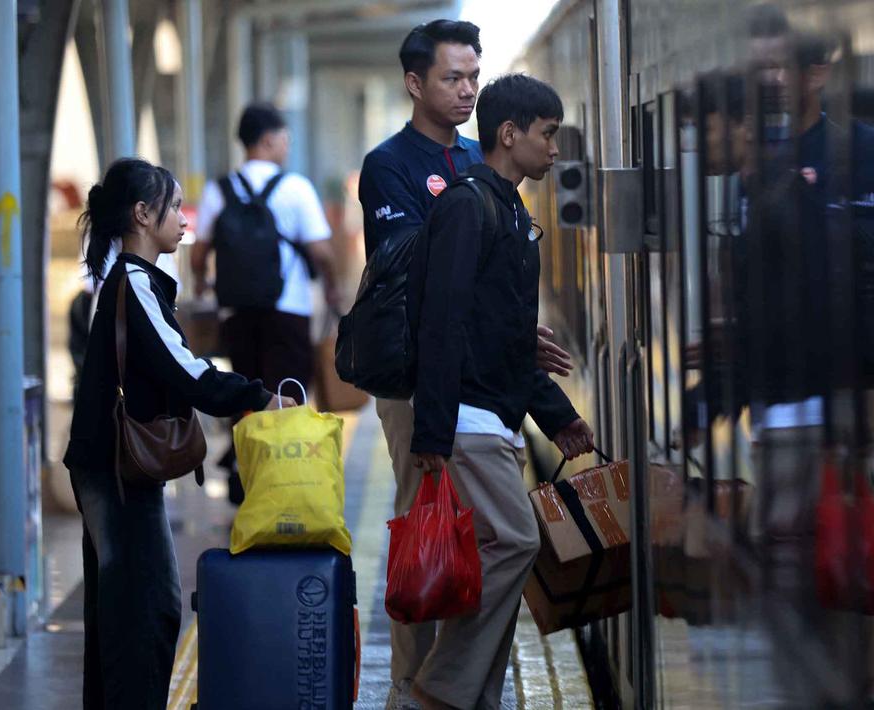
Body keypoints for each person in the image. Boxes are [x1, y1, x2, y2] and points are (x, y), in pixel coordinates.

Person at [356, 21, 571, 707]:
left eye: (473, 77)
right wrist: (495, 316)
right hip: (422, 379)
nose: (465, 89)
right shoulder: (391, 164)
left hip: (481, 377)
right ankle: (412, 688)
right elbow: (412, 277)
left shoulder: (485, 161)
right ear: (416, 83)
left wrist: (503, 323)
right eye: (452, 77)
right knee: (428, 534)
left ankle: (460, 688)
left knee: (476, 544)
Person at [63, 158, 294, 709]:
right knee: (146, 611)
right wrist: (259, 397)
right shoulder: (134, 284)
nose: (183, 217)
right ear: (143, 215)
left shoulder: (131, 281)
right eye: (172, 206)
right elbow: (186, 371)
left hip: (108, 464)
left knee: (121, 609)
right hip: (114, 471)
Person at [407, 73, 595, 710]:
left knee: (500, 552)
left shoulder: (510, 209)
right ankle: (441, 689)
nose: (555, 150)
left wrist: (558, 417)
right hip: (466, 418)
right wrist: (430, 432)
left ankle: (474, 697)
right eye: (548, 135)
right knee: (515, 541)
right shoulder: (468, 206)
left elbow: (509, 337)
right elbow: (442, 322)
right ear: (509, 134)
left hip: (497, 415)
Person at [190, 102, 339, 504]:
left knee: (248, 396)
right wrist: (331, 287)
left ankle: (249, 478)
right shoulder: (295, 188)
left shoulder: (218, 190)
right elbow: (322, 252)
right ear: (269, 139)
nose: (286, 147)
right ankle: (287, 485)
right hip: (287, 311)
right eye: (284, 139)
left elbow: (198, 253)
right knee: (288, 395)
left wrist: (205, 285)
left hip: (237, 313)